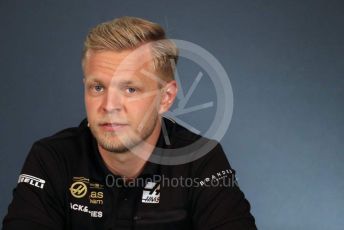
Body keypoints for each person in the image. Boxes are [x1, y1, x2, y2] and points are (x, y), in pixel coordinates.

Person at [2, 16, 257, 230]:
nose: (109, 105)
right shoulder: (52, 158)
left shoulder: (199, 161)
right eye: (98, 87)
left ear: (165, 98)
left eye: (130, 89)